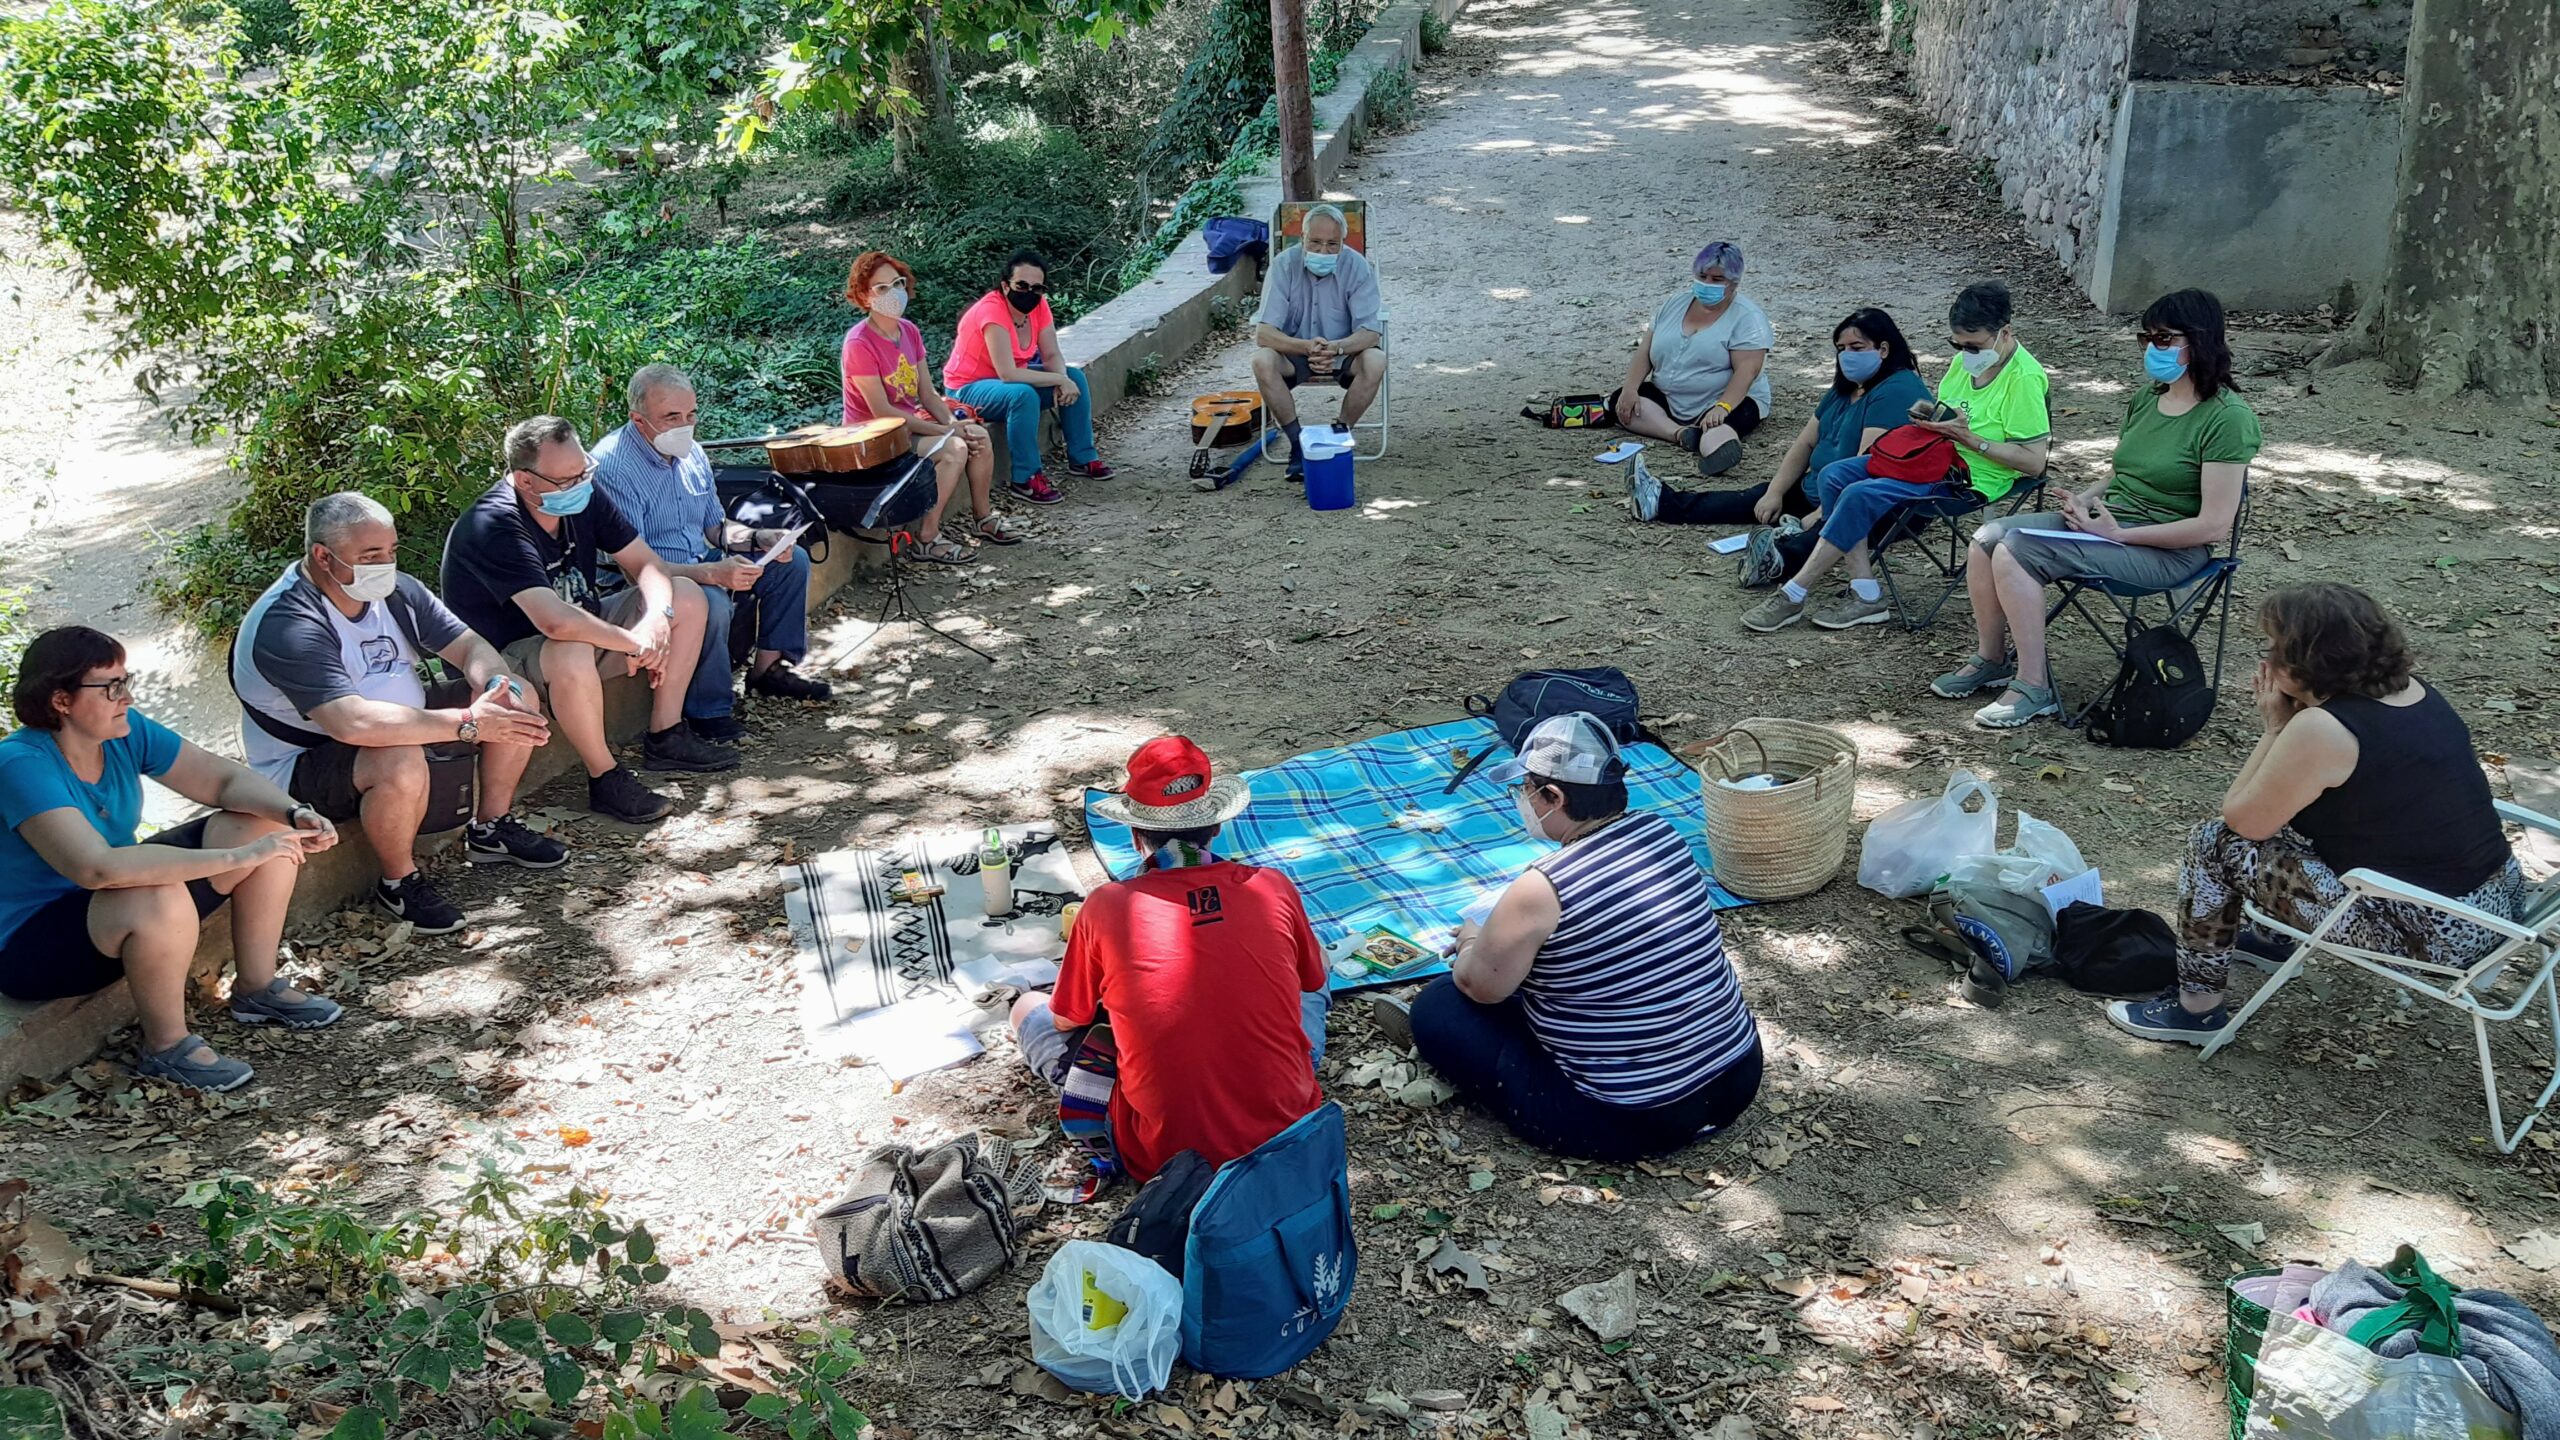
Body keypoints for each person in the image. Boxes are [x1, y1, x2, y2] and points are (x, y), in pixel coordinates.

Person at [2107, 584, 2529, 1045]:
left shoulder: (2323, 729)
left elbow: (2242, 820)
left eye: (2274, 648)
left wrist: (2275, 729)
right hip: (2497, 910)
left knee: (2212, 844)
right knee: (2296, 806)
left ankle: (2197, 1009)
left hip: (2428, 934)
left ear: (2307, 662)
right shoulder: (2416, 693)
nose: (2266, 658)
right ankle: (2272, 941)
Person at [1391, 714, 1763, 1162]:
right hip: (1736, 1078)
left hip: (1628, 1117)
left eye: (1525, 788)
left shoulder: (1542, 887)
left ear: (1554, 796)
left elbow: (1479, 987)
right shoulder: (1661, 833)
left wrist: (1472, 942)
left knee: (1441, 1004)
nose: (1521, 799)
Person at [2, 627, 344, 1091]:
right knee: (156, 891)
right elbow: (96, 868)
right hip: (32, 944)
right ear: (61, 700)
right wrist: (236, 858)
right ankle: (167, 1048)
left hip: (113, 904)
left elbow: (221, 780)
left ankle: (257, 990)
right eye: (111, 688)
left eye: (126, 682)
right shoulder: (20, 763)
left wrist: (295, 812)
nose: (127, 697)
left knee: (262, 823)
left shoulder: (122, 731)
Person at [233, 492, 565, 935]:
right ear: (323, 557)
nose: (385, 565)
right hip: (308, 761)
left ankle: (491, 828)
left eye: (390, 551)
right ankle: (399, 881)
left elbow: (469, 646)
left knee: (516, 694)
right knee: (398, 754)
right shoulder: (289, 623)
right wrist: (468, 723)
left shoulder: (396, 591)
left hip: (401, 720)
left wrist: (494, 686)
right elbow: (350, 721)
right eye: (370, 555)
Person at [1932, 287, 2259, 727]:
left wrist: (2119, 535)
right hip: (2112, 525)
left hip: (2167, 550)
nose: (2151, 349)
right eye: (2147, 339)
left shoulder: (2228, 419)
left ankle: (2034, 686)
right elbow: (2122, 470)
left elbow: (2212, 527)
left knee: (2016, 550)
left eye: (2164, 339)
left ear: (2200, 340)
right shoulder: (2148, 398)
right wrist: (2086, 499)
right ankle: (1992, 658)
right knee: (1986, 540)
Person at [1008, 736, 1329, 1181]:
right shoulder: (1270, 886)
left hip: (1167, 1155)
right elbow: (1310, 980)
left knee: (1029, 1009)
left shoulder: (1106, 906)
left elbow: (1066, 1019)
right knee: (1316, 978)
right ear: (1215, 826)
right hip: (1289, 1129)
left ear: (1136, 833)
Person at [439, 415, 738, 827]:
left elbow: (646, 563)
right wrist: (634, 644)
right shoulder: (494, 525)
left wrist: (655, 620)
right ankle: (605, 776)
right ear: (525, 481)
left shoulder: (582, 492)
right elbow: (556, 623)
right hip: (509, 658)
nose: (580, 484)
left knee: (685, 596)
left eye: (584, 472)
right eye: (567, 480)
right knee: (571, 649)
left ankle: (666, 734)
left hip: (585, 625)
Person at [1742, 279, 2051, 635]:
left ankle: (1795, 592)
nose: (1965, 352)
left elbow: (2033, 463)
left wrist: (1971, 439)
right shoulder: (1965, 363)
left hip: (1972, 478)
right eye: (1958, 344)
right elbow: (1946, 411)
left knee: (1858, 493)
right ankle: (1865, 592)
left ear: (2005, 333)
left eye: (1973, 344)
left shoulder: (2024, 379)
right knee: (1834, 475)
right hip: (1933, 454)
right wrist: (1926, 415)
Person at [593, 363, 838, 748]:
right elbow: (635, 565)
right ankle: (708, 712)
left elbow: (714, 528)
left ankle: (768, 669)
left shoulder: (691, 454)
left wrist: (759, 537)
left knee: (792, 563)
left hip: (702, 557)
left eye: (691, 414)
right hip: (650, 580)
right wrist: (711, 574)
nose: (684, 425)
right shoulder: (614, 468)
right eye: (671, 416)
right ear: (638, 420)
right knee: (710, 601)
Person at [1632, 306, 1929, 530]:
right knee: (1752, 500)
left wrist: (1821, 513)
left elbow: (1865, 466)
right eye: (1841, 349)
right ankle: (1661, 501)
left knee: (1814, 538)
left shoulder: (1896, 391)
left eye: (1857, 348)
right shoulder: (1849, 387)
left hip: (1863, 502)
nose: (1847, 356)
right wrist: (1776, 492)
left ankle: (1778, 561)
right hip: (1817, 490)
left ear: (1884, 349)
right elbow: (1805, 443)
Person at [839, 251, 1014, 555]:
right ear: (864, 297)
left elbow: (928, 394)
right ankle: (927, 537)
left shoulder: (909, 331)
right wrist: (948, 434)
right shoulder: (859, 343)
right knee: (954, 450)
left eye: (897, 283)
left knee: (978, 437)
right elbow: (882, 413)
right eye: (881, 288)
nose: (893, 293)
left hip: (908, 428)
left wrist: (952, 423)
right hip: (875, 438)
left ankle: (983, 518)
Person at [944, 249, 1115, 506]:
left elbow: (1051, 353)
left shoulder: (1039, 306)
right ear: (1005, 285)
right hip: (968, 388)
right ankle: (1025, 478)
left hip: (1007, 381)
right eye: (1021, 285)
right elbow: (1008, 373)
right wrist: (1058, 380)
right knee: (1023, 395)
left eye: (1037, 287)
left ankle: (1082, 457)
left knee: (1075, 376)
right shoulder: (992, 312)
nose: (1029, 292)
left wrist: (1062, 378)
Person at [1610, 240, 1773, 477]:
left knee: (1718, 426)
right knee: (1624, 402)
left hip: (1724, 399)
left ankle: (1716, 448)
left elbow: (1748, 370)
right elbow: (1645, 351)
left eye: (1717, 280)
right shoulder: (1674, 303)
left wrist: (1723, 406)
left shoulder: (1749, 318)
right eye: (1703, 276)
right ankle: (1680, 433)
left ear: (1733, 282)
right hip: (1668, 396)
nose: (1708, 284)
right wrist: (1630, 388)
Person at [1248, 205, 1386, 481]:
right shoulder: (1284, 265)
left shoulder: (1357, 266)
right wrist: (1306, 347)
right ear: (1303, 238)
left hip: (1345, 352)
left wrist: (1336, 348)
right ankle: (1298, 443)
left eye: (1332, 244)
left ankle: (1339, 432)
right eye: (1315, 242)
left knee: (1376, 359)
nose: (1323, 251)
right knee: (1261, 360)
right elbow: (1263, 333)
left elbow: (1371, 332)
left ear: (1343, 243)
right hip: (1294, 352)